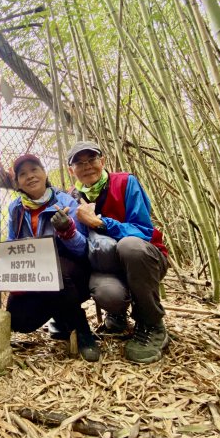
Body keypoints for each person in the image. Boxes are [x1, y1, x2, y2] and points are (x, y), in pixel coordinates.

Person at [67, 140, 169, 364]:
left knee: (129, 246)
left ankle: (152, 324)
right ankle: (118, 313)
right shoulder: (71, 198)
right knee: (108, 293)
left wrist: (101, 223)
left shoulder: (125, 182)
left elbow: (144, 230)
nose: (87, 166)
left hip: (144, 257)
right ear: (71, 170)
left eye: (91, 159)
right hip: (107, 266)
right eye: (79, 163)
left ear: (102, 161)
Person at [0, 154, 100, 362]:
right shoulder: (16, 208)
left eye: (34, 170)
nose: (30, 176)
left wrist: (67, 230)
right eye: (23, 174)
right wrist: (2, 256)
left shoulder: (65, 201)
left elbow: (83, 249)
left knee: (56, 269)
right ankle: (61, 315)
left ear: (44, 173)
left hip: (72, 274)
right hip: (39, 276)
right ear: (18, 182)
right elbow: (13, 240)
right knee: (20, 321)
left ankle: (82, 330)